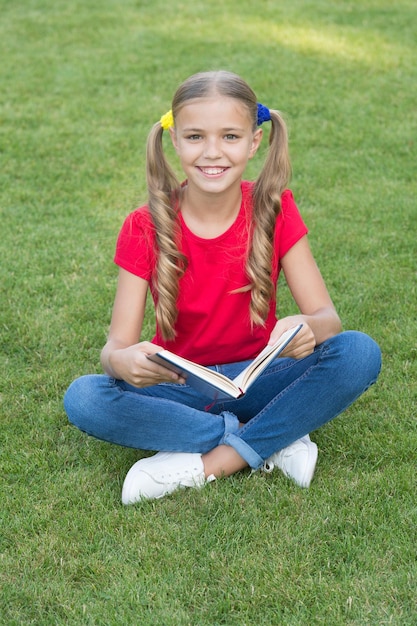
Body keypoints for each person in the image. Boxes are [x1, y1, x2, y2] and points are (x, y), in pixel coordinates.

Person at [64, 70, 381, 505]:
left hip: (260, 378)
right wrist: (122, 361)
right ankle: (273, 435)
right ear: (175, 141)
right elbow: (113, 349)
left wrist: (307, 326)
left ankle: (213, 461)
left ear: (253, 142)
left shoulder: (275, 209)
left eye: (230, 137)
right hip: (179, 389)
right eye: (195, 137)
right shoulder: (144, 226)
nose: (212, 153)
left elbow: (329, 321)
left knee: (358, 352)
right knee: (84, 397)